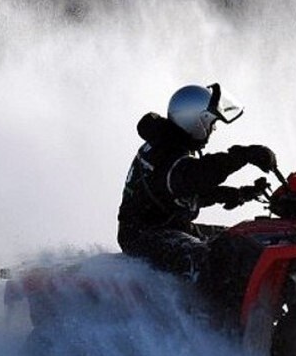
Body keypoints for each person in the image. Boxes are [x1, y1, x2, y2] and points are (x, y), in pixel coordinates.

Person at [117, 83, 276, 282]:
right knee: (218, 261)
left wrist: (237, 194)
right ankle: (216, 312)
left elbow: (181, 193)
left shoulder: (170, 144)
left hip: (168, 227)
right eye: (212, 123)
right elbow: (201, 175)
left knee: (240, 239)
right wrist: (245, 155)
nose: (214, 129)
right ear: (197, 121)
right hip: (146, 237)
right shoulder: (168, 155)